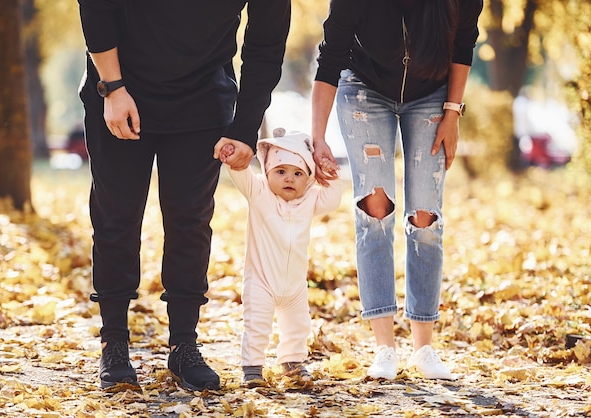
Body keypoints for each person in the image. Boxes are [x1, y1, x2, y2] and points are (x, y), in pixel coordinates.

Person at [77, 0, 291, 391]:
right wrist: (111, 86)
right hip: (121, 88)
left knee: (190, 220)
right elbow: (96, 5)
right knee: (116, 218)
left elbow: (266, 44)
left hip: (203, 98)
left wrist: (244, 129)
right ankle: (114, 342)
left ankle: (184, 345)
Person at [310, 0, 483, 380]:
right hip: (364, 92)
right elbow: (332, 54)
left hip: (433, 95)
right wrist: (318, 136)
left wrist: (453, 112)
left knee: (425, 218)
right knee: (375, 210)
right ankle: (384, 348)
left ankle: (424, 348)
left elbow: (463, 43)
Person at [219, 129, 341, 387]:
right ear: (267, 173)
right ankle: (252, 368)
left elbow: (331, 200)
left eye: (298, 174)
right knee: (257, 325)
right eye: (281, 171)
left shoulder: (308, 200)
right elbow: (241, 173)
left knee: (298, 325)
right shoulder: (259, 193)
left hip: (295, 285)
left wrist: (328, 171)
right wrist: (232, 155)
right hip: (261, 281)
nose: (289, 179)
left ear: (308, 179)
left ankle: (293, 362)